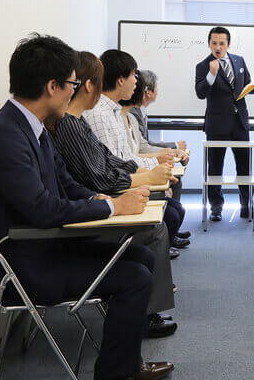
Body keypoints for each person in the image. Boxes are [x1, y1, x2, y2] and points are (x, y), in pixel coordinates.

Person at [0, 34, 173, 380]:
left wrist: (100, 199)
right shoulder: (5, 136)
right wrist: (114, 210)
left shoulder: (32, 128)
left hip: (45, 244)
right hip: (26, 260)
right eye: (72, 84)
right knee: (135, 275)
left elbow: (66, 183)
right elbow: (44, 210)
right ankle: (117, 373)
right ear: (52, 86)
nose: (75, 92)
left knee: (142, 257)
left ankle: (125, 363)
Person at [48, 51, 178, 338]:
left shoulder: (79, 122)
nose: (137, 83)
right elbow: (99, 176)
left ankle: (142, 311)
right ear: (91, 85)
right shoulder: (72, 124)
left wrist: (143, 176)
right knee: (155, 230)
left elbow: (110, 161)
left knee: (159, 221)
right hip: (83, 222)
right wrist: (129, 189)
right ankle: (146, 316)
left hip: (94, 203)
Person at [83, 49, 187, 246]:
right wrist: (150, 172)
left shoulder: (113, 112)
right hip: (115, 190)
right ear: (120, 80)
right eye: (133, 76)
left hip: (123, 182)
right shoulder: (99, 114)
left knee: (172, 211)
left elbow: (124, 158)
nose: (136, 82)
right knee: (170, 216)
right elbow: (111, 167)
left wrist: (155, 166)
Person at [194, 26, 254, 222]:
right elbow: (200, 92)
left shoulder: (238, 61)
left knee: (244, 168)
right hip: (217, 125)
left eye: (222, 43)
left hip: (239, 123)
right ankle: (216, 208)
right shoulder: (203, 65)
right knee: (215, 169)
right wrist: (211, 76)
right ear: (209, 44)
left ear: (228, 44)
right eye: (214, 43)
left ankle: (247, 207)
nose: (218, 47)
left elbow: (245, 88)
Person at [121, 76, 189, 204]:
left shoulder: (131, 117)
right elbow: (126, 158)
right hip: (130, 176)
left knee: (175, 195)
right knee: (174, 208)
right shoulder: (122, 116)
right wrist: (160, 158)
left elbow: (144, 146)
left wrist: (172, 152)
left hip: (137, 170)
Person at [130, 69, 188, 152]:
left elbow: (144, 144)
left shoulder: (141, 111)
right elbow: (143, 148)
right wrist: (175, 146)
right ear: (148, 93)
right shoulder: (133, 113)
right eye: (156, 87)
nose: (157, 90)